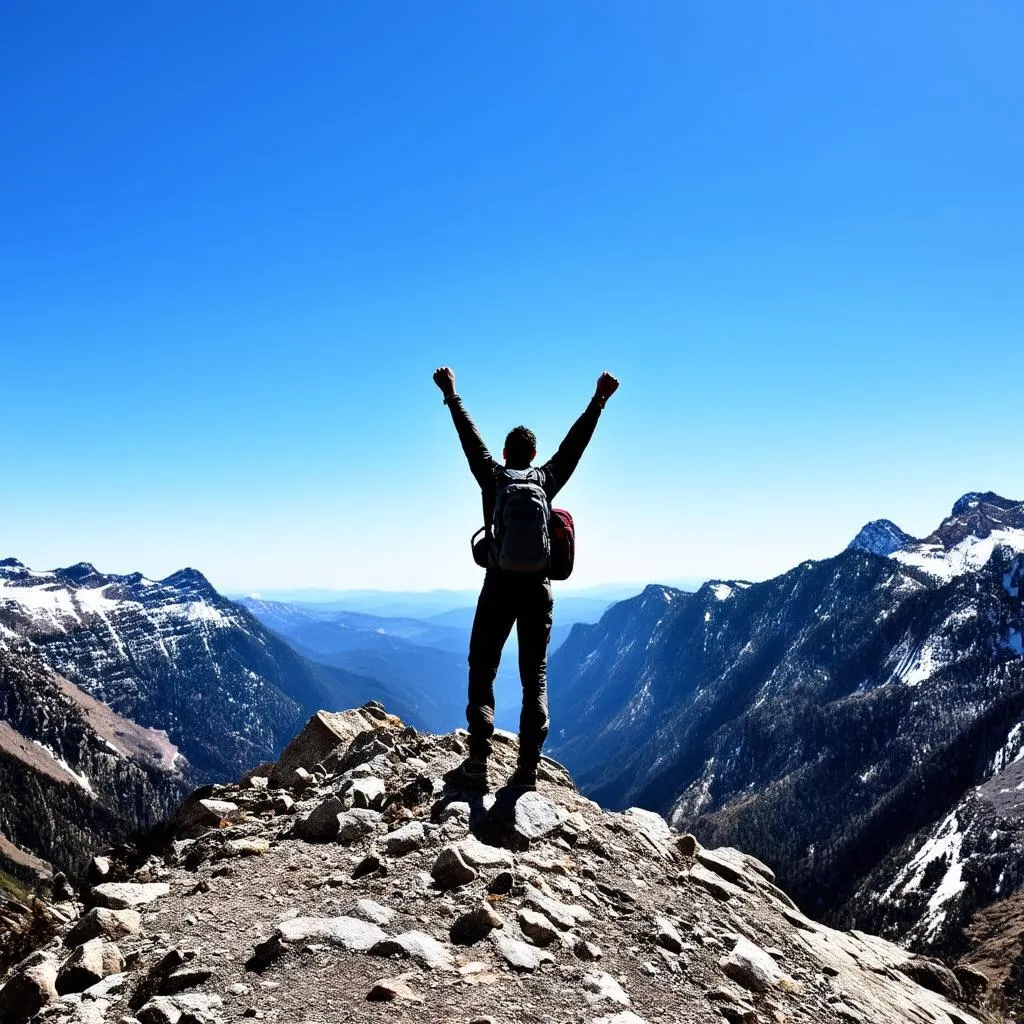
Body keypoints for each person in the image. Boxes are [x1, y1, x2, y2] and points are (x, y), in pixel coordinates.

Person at [433, 366, 619, 790]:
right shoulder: (547, 480)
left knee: (482, 668)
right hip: (537, 591)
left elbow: (468, 438)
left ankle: (478, 762)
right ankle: (528, 768)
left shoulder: (493, 477)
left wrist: (451, 393)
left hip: (497, 586)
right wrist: (598, 401)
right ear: (534, 457)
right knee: (533, 673)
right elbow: (576, 446)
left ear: (504, 452)